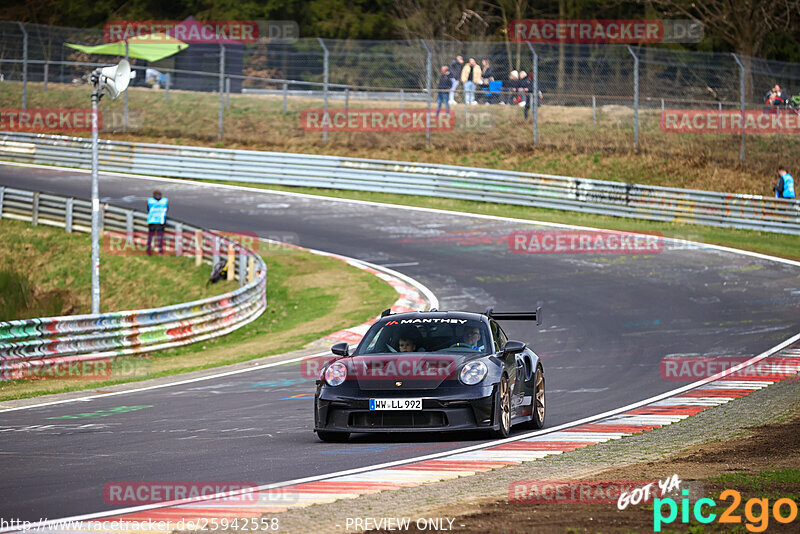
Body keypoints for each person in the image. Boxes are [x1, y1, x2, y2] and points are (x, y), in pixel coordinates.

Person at [146, 189, 169, 255]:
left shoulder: (150, 201)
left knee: (150, 237)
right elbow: (166, 209)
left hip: (152, 221)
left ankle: (148, 251)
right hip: (160, 221)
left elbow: (148, 209)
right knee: (160, 238)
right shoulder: (164, 201)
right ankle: (160, 251)